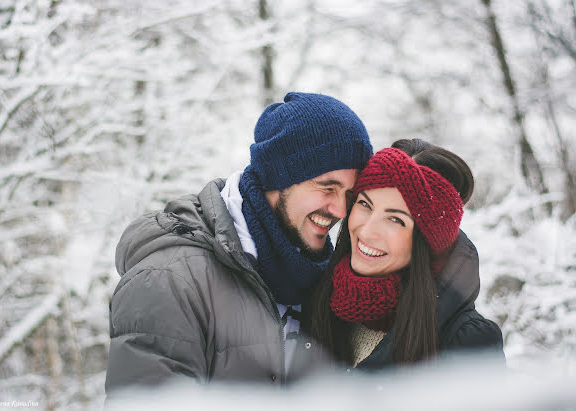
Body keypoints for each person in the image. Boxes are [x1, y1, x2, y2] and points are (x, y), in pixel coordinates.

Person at [105, 92, 374, 394]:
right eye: (327, 187)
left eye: (350, 195)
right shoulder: (170, 281)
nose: (340, 210)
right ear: (278, 176)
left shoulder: (324, 277)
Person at [309, 138, 504, 371]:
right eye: (365, 205)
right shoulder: (316, 300)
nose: (367, 231)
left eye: (395, 219)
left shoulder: (468, 343)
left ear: (427, 242)